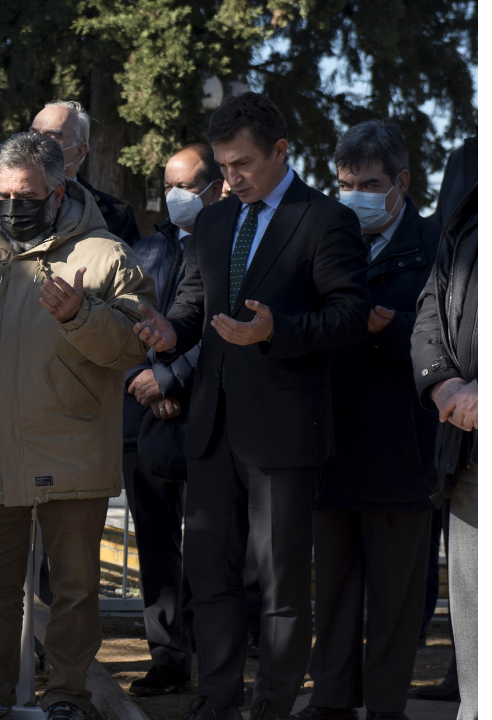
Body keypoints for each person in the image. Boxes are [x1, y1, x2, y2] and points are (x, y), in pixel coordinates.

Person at [133, 91, 370, 720]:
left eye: (241, 165)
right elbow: (192, 305)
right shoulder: (211, 222)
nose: (229, 179)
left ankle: (272, 706)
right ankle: (217, 702)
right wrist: (167, 332)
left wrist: (277, 332)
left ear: (281, 152)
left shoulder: (324, 219)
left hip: (286, 432)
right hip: (211, 429)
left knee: (281, 584)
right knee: (209, 576)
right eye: (223, 165)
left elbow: (348, 317)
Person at [0, 132, 154, 720]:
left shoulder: (104, 254)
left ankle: (69, 696)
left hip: (72, 449)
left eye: (27, 194)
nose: (13, 204)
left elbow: (132, 345)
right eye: (3, 194)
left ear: (58, 192)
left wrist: (80, 314)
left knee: (74, 591)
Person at [293, 120, 439, 720]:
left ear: (402, 182)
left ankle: (384, 707)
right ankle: (329, 702)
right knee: (332, 594)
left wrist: (391, 331)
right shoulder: (327, 235)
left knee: (397, 602)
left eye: (369, 183)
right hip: (330, 446)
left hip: (403, 451)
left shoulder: (436, 247)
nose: (354, 195)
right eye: (343, 182)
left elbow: (453, 341)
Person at [122, 143, 223, 696]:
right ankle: (166, 655)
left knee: (215, 542)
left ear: (215, 187)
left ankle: (218, 658)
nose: (174, 196)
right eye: (168, 186)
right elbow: (125, 321)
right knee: (157, 542)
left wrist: (174, 381)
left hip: (211, 415)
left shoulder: (235, 243)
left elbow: (216, 327)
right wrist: (147, 382)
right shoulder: (145, 250)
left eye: (185, 185)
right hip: (147, 420)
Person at [412, 180, 477, 720]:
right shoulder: (469, 210)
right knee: (476, 628)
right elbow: (434, 302)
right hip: (468, 452)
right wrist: (444, 385)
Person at [0, 101, 140, 246]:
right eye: (33, 133)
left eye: (52, 136)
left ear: (79, 151)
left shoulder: (116, 215)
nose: (38, 142)